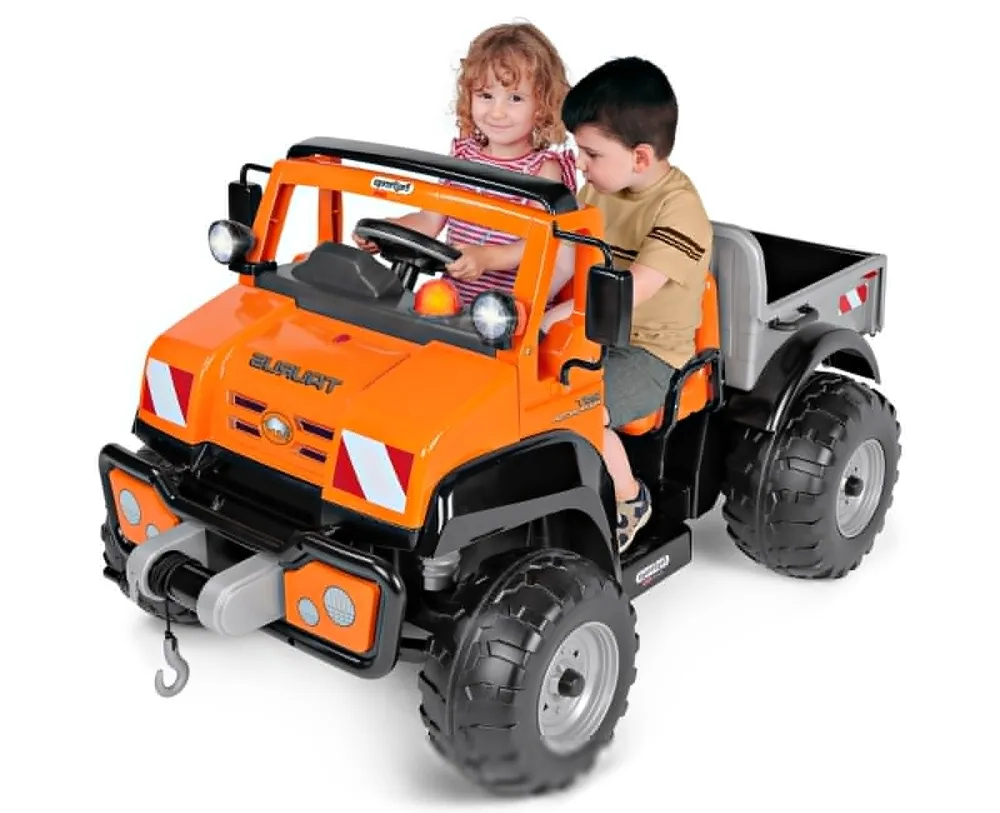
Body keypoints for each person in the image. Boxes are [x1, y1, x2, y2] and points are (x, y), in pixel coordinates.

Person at [462, 57, 714, 553]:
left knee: (579, 408)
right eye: (579, 150)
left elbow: (631, 291)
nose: (579, 163)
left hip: (650, 353)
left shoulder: (679, 210)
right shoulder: (599, 190)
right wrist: (527, 308)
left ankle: (629, 498)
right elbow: (564, 259)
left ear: (640, 158)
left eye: (591, 153)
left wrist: (561, 315)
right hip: (593, 334)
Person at [352, 21, 578, 306]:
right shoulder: (462, 158)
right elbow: (429, 220)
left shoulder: (543, 170)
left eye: (515, 98)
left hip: (508, 312)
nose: (497, 112)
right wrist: (388, 230)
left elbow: (543, 244)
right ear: (469, 95)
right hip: (450, 303)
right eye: (486, 96)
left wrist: (487, 258)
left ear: (542, 105)